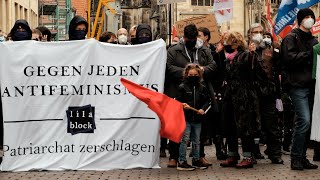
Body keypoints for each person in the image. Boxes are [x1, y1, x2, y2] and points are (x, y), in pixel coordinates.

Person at [165, 23, 216, 168]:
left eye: (194, 39)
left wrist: (201, 70)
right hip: (179, 91)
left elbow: (213, 66)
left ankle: (199, 156)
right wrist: (187, 72)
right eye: (189, 39)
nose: (191, 42)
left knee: (200, 128)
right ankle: (174, 157)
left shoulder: (203, 49)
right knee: (178, 126)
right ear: (184, 37)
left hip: (200, 92)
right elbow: (168, 67)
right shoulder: (174, 50)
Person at [281, 8, 318, 170]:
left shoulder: (314, 40)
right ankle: (295, 158)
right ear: (300, 20)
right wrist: (310, 53)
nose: (309, 19)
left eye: (312, 17)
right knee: (304, 120)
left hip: (312, 85)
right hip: (297, 85)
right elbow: (289, 59)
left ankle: (302, 158)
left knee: (307, 123)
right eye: (307, 17)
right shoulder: (291, 37)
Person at [219, 31, 260, 168]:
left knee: (245, 127)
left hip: (243, 97)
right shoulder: (228, 58)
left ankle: (248, 157)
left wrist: (253, 53)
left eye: (229, 42)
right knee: (230, 125)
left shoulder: (245, 56)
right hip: (230, 95)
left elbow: (253, 68)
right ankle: (232, 155)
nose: (226, 44)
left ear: (235, 44)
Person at [248, 23, 284, 164]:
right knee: (252, 125)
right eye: (254, 31)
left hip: (268, 91)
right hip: (251, 92)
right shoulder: (246, 49)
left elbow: (278, 67)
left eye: (260, 31)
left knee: (271, 124)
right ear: (249, 34)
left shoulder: (270, 48)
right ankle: (252, 153)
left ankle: (275, 154)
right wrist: (250, 53)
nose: (257, 34)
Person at [198, 27, 228, 162]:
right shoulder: (195, 50)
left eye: (199, 35)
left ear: (206, 37)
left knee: (217, 120)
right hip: (201, 89)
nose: (197, 38)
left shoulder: (214, 52)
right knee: (202, 122)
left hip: (214, 89)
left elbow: (219, 69)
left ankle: (219, 148)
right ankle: (199, 152)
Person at [176, 63, 211, 171]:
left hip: (198, 119)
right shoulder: (182, 87)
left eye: (195, 74)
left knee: (197, 140)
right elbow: (177, 101)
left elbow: (208, 101)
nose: (193, 76)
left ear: (199, 75)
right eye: (190, 74)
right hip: (185, 118)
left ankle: (196, 160)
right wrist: (182, 105)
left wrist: (203, 109)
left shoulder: (202, 88)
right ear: (186, 74)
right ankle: (181, 161)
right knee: (185, 140)